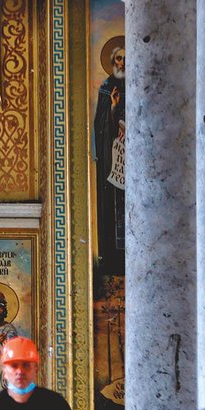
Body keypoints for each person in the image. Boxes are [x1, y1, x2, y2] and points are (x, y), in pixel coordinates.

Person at [93, 41, 125, 276]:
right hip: (113, 159)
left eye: (126, 58)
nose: (123, 63)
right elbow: (99, 123)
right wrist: (113, 109)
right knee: (113, 207)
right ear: (113, 62)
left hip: (134, 159)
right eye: (118, 59)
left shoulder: (140, 82)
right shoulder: (107, 87)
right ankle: (114, 259)